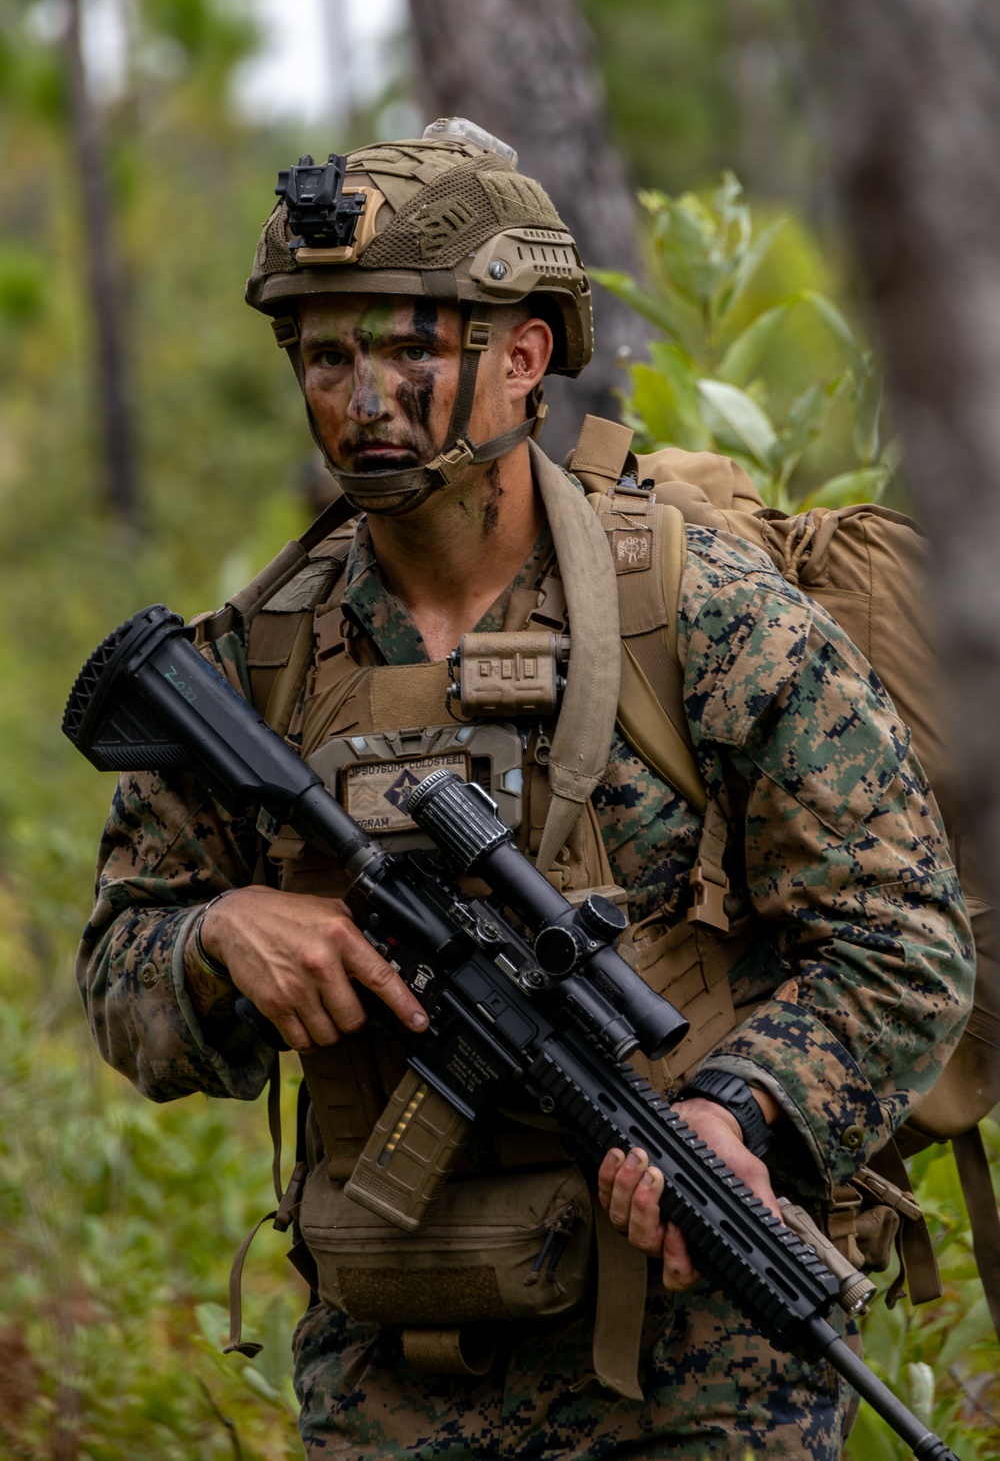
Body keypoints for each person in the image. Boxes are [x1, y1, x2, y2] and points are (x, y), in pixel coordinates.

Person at [77, 119, 972, 1460]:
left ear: (524, 356)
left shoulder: (701, 618)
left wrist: (740, 1111)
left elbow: (905, 943)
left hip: (695, 1371)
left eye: (408, 350)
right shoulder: (257, 661)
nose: (362, 397)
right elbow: (118, 967)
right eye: (328, 355)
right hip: (389, 1373)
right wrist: (217, 943)